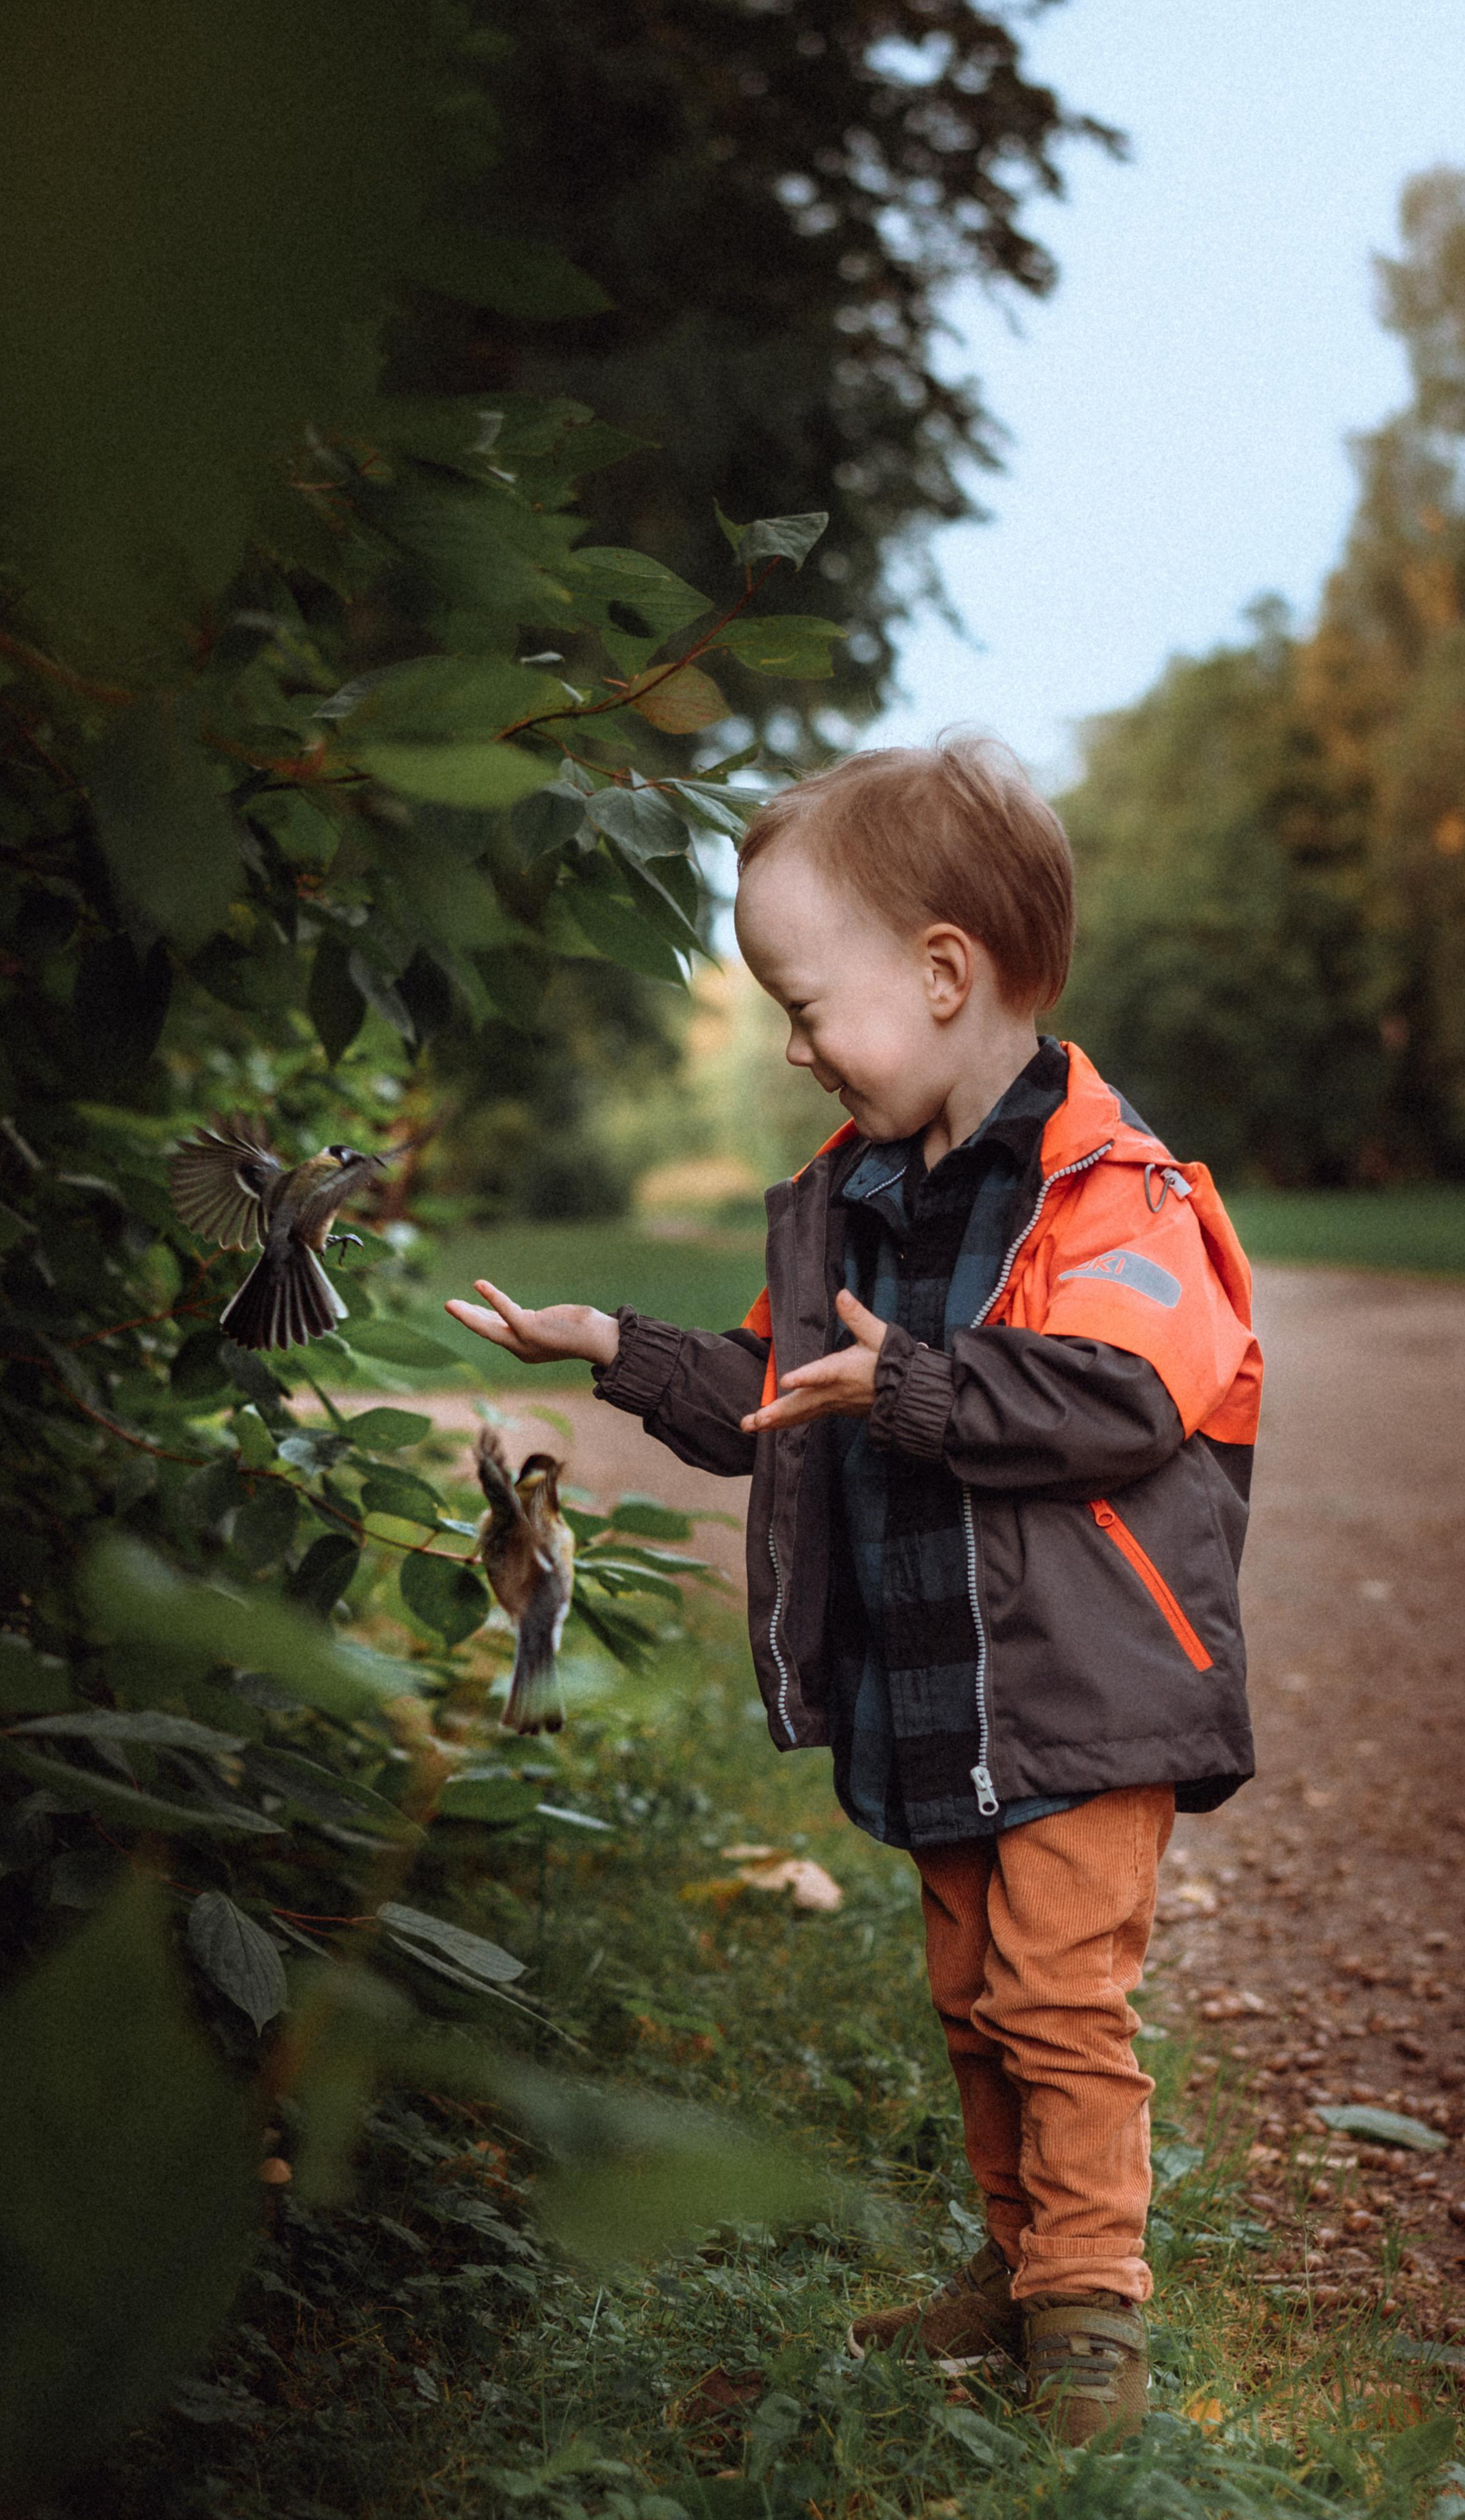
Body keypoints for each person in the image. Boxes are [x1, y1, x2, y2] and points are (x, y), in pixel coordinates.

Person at [446, 738, 1262, 2445]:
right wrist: (613, 1347)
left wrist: (911, 1386)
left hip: (1088, 1676)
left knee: (1057, 1990)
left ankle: (1093, 2317)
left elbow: (1124, 1396)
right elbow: (775, 1390)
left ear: (945, 971)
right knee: (972, 1993)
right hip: (937, 1678)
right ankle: (1019, 2264)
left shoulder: (1120, 1187)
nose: (797, 1045)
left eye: (808, 1006)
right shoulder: (850, 1205)